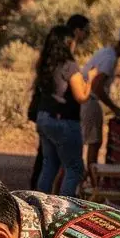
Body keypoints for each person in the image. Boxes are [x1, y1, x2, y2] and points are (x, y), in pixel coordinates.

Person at [28, 15, 91, 189]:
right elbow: (81, 96)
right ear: (68, 43)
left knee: (49, 166)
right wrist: (91, 80)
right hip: (64, 120)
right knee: (74, 169)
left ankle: (40, 207)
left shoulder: (46, 63)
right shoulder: (69, 65)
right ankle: (67, 211)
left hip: (45, 117)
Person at [80, 31, 120, 172]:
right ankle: (92, 177)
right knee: (94, 142)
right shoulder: (110, 58)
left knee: (93, 141)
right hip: (90, 100)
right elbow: (97, 86)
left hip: (86, 99)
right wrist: (114, 108)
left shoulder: (106, 52)